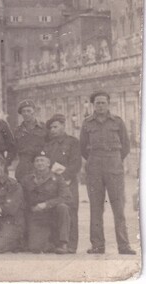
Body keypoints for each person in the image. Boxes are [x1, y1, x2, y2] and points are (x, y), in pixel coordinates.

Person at [80, 91, 136, 255]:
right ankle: (97, 245)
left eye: (103, 102)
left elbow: (125, 146)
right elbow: (83, 148)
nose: (100, 106)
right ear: (93, 105)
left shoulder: (118, 122)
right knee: (96, 208)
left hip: (114, 167)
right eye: (97, 103)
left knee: (118, 207)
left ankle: (124, 245)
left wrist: (114, 160)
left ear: (108, 104)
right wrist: (94, 160)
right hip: (95, 167)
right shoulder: (87, 123)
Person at [43, 113, 81, 253]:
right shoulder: (47, 145)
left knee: (70, 210)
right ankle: (56, 243)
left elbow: (76, 164)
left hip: (68, 182)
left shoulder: (73, 142)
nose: (53, 130)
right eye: (51, 127)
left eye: (56, 127)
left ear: (63, 126)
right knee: (55, 210)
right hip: (52, 183)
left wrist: (64, 177)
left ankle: (71, 245)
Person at [20, 151, 71, 254]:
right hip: (36, 216)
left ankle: (63, 243)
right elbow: (22, 199)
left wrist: (46, 204)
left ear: (48, 163)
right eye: (37, 161)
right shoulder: (27, 179)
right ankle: (49, 242)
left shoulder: (57, 178)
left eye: (42, 160)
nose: (39, 163)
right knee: (35, 248)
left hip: (52, 215)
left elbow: (67, 197)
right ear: (34, 164)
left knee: (63, 207)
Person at [13, 100, 47, 182]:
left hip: (40, 164)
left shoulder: (43, 127)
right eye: (23, 111)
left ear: (34, 112)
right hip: (24, 166)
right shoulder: (17, 130)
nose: (26, 113)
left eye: (29, 111)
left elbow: (49, 145)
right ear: (21, 114)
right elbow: (14, 149)